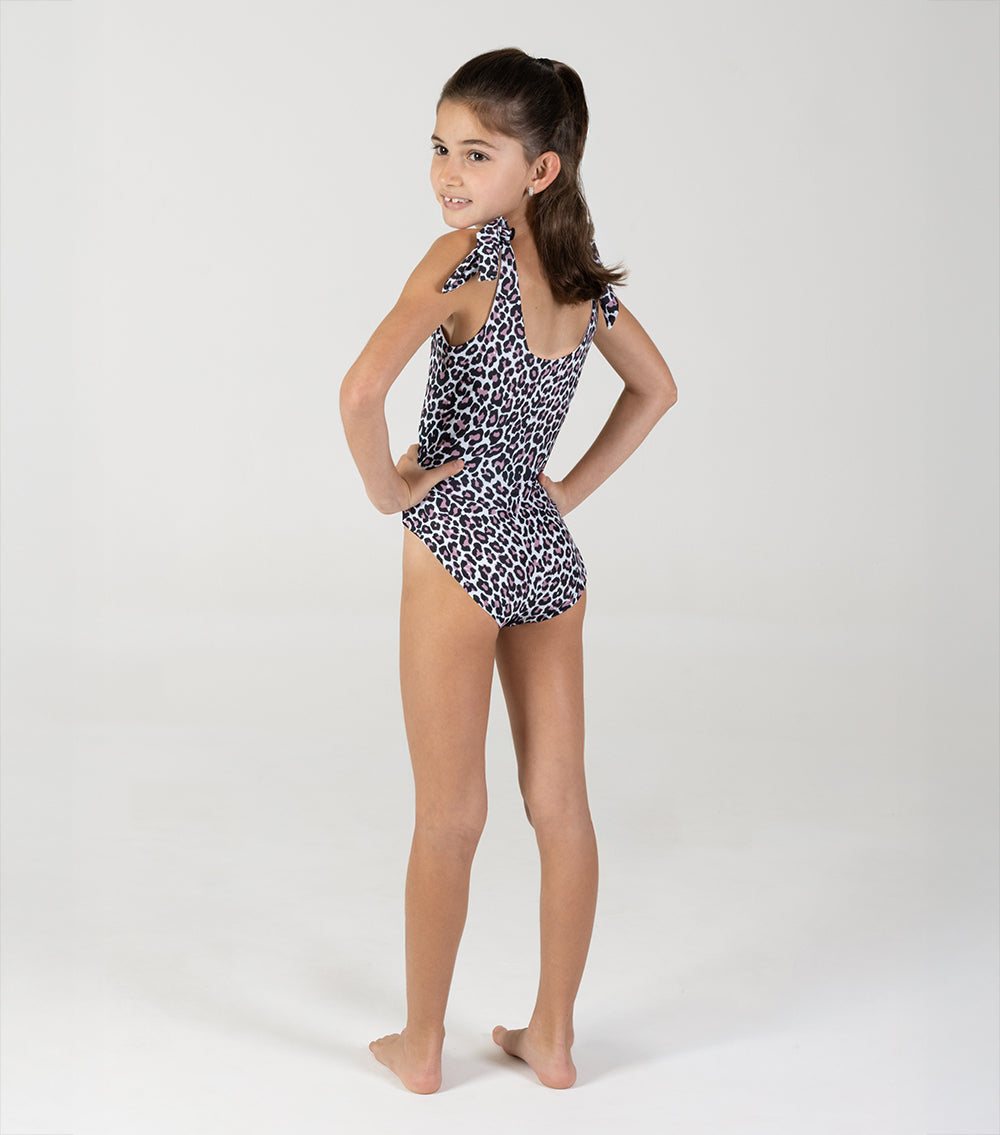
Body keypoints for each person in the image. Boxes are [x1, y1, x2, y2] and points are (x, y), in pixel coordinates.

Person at [340, 47, 677, 1094]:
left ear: (540, 169)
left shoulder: (466, 260)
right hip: (543, 550)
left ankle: (422, 1045)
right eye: (439, 148)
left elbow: (360, 394)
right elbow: (656, 390)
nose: (448, 173)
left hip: (459, 548)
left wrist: (389, 491)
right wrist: (561, 494)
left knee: (449, 813)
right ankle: (554, 1038)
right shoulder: (580, 281)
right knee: (560, 803)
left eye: (476, 153)